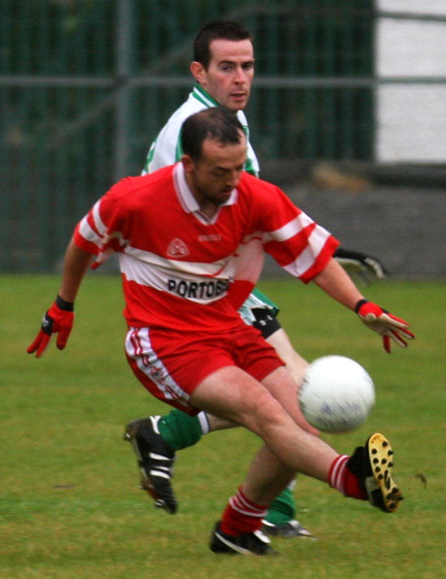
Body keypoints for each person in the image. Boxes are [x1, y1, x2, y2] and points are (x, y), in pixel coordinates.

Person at [27, 107, 413, 555]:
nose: (233, 180)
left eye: (238, 167)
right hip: (165, 342)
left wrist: (361, 306)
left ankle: (237, 529)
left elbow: (312, 255)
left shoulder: (252, 195)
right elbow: (82, 240)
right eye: (220, 171)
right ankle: (351, 479)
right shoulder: (135, 199)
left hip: (228, 328)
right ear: (187, 164)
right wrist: (63, 305)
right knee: (262, 411)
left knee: (300, 417)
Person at [128, 19, 388, 538]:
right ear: (200, 70)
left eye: (247, 66)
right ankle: (259, 510)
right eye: (227, 67)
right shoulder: (197, 131)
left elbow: (257, 214)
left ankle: (177, 446)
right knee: (295, 396)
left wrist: (323, 246)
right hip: (204, 292)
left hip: (225, 284)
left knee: (287, 398)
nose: (240, 77)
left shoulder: (223, 123)